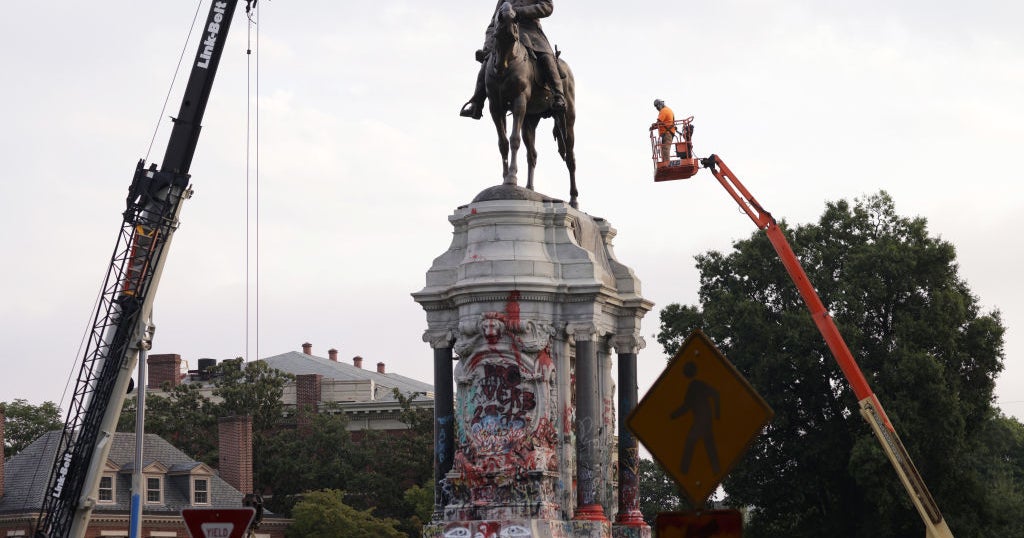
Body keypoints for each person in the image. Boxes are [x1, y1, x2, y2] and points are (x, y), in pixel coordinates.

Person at [460, 0, 566, 120]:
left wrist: (518, 12)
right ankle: (477, 104)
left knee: (546, 57)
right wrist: (488, 46)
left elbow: (547, 7)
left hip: (531, 32)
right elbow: (493, 23)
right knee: (487, 63)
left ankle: (558, 95)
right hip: (504, 34)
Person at [652, 99, 676, 163]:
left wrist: (653, 127)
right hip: (668, 132)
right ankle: (665, 162)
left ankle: (666, 163)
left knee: (665, 149)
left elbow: (659, 122)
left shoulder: (664, 110)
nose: (657, 108)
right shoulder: (667, 109)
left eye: (657, 106)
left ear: (660, 104)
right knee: (664, 149)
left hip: (667, 133)